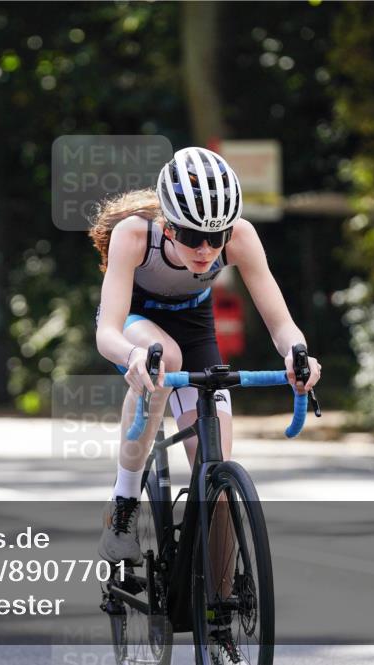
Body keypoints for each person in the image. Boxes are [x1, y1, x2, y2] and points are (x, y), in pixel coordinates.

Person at [88, 146, 321, 565]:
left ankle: (219, 598)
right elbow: (107, 331)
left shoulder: (241, 237)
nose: (206, 249)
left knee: (216, 475)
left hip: (194, 326)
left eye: (216, 237)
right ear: (168, 226)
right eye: (193, 237)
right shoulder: (134, 235)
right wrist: (134, 356)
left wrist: (297, 354)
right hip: (136, 323)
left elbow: (280, 323)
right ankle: (123, 506)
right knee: (165, 358)